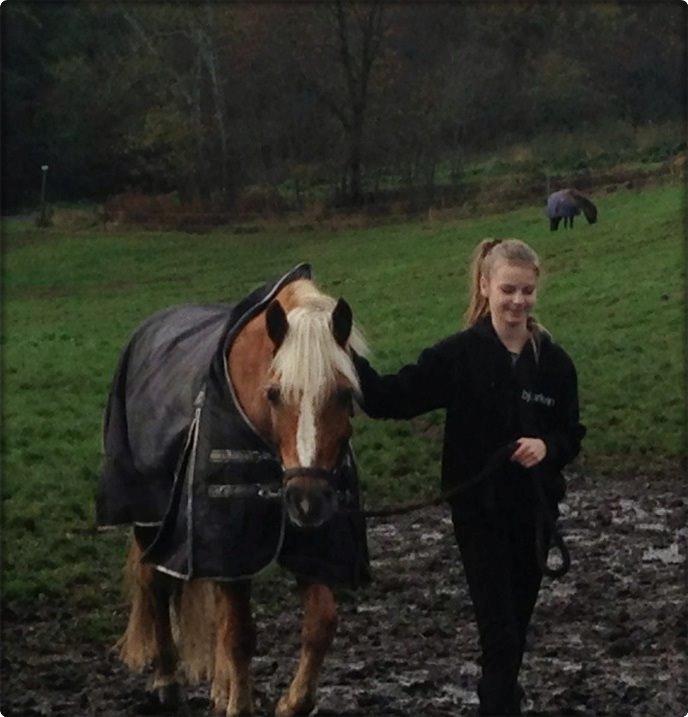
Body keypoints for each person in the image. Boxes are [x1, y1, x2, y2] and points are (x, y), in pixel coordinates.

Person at [353, 238, 585, 715]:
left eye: (526, 291)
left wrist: (548, 448)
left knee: (515, 629)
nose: (518, 301)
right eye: (508, 290)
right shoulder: (458, 356)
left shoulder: (555, 364)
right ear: (485, 286)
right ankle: (498, 705)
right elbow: (387, 399)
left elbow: (571, 432)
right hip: (480, 514)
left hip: (535, 514)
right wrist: (340, 353)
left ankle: (499, 695)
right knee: (499, 632)